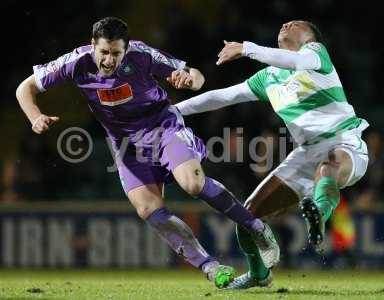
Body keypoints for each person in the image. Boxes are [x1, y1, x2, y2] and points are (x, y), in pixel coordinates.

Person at [16, 16, 276, 288]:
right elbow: (25, 87)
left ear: (126, 49)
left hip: (163, 127)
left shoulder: (141, 55)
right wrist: (35, 116)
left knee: (192, 183)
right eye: (103, 52)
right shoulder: (75, 62)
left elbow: (197, 75)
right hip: (125, 144)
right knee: (147, 208)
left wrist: (189, 80)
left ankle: (257, 229)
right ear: (92, 45)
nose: (108, 60)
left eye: (116, 53)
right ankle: (211, 267)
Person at [176, 20, 369, 289]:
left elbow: (292, 60)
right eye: (285, 23)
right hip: (305, 153)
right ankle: (259, 274)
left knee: (330, 166)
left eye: (296, 23)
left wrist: (246, 49)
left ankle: (319, 216)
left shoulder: (316, 54)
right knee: (249, 216)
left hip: (344, 140)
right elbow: (221, 97)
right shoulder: (268, 78)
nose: (286, 23)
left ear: (310, 37)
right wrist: (172, 112)